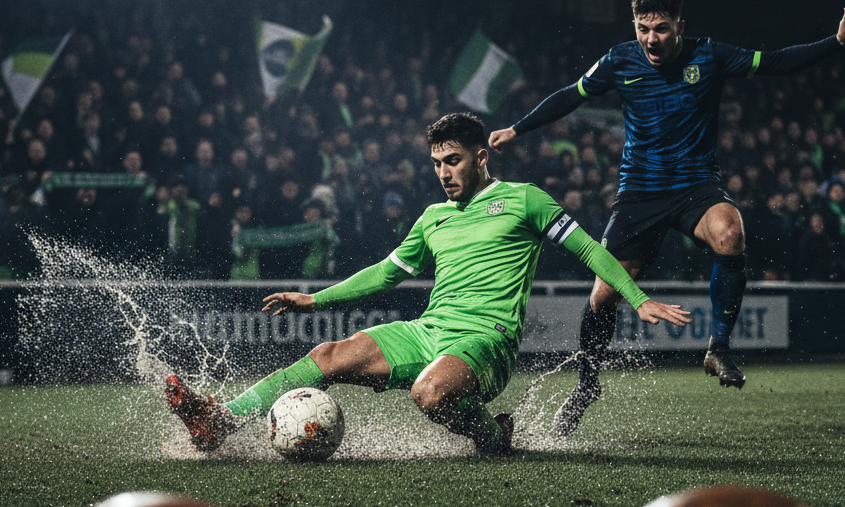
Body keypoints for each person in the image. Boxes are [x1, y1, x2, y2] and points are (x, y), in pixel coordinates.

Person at [166, 112, 690, 454]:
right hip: (429, 330)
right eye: (436, 162)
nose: (443, 171)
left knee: (431, 393)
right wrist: (315, 298)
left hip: (485, 341)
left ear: (481, 156)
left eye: (454, 160)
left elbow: (591, 249)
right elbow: (385, 274)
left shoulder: (526, 200)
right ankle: (219, 420)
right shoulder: (433, 217)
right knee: (328, 355)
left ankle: (494, 436)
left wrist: (637, 298)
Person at [489, 0, 845, 436]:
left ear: (680, 26)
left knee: (730, 231)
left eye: (660, 28)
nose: (651, 39)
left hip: (696, 187)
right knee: (603, 295)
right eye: (643, 29)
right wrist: (517, 130)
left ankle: (718, 346)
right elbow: (571, 95)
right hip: (639, 194)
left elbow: (774, 63)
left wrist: (835, 43)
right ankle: (587, 383)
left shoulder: (709, 55)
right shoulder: (620, 59)